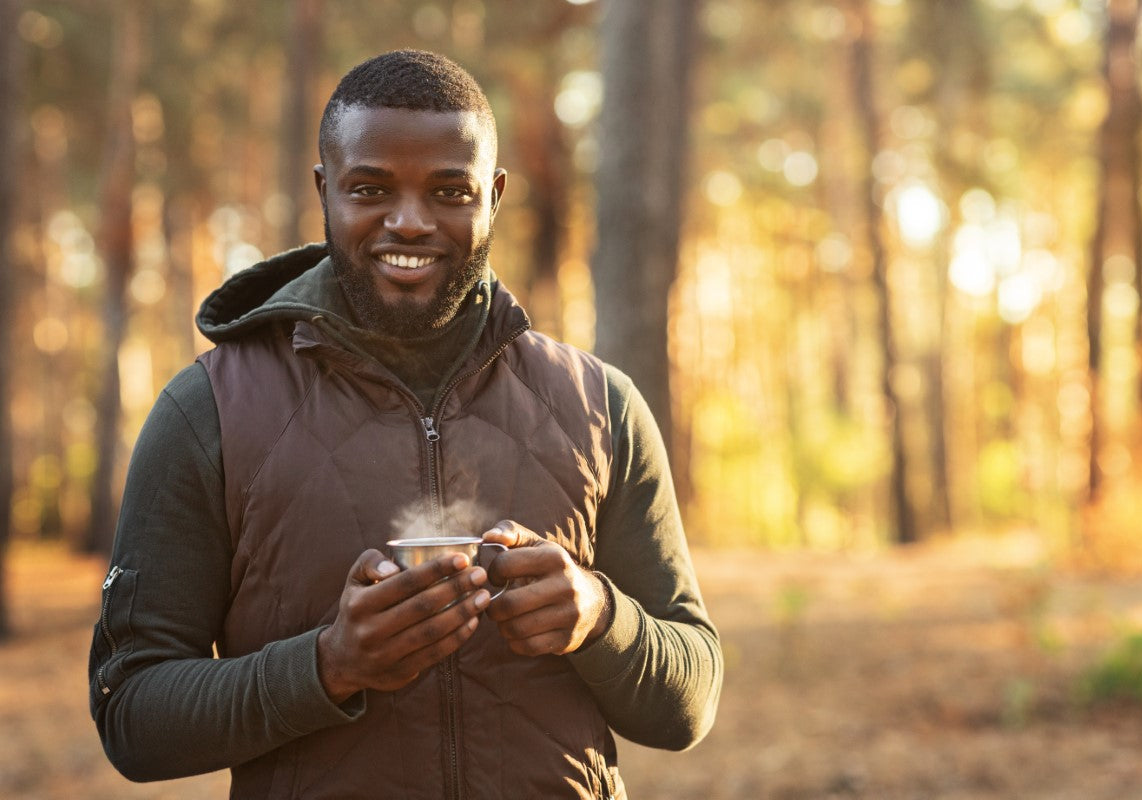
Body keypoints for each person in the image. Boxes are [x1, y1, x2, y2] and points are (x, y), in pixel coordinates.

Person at [89, 49, 722, 800]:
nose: (411, 221)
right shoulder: (208, 411)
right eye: (371, 189)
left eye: (450, 190)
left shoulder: (600, 405)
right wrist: (328, 665)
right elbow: (131, 715)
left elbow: (690, 701)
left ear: (494, 194)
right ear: (326, 191)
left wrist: (600, 616)